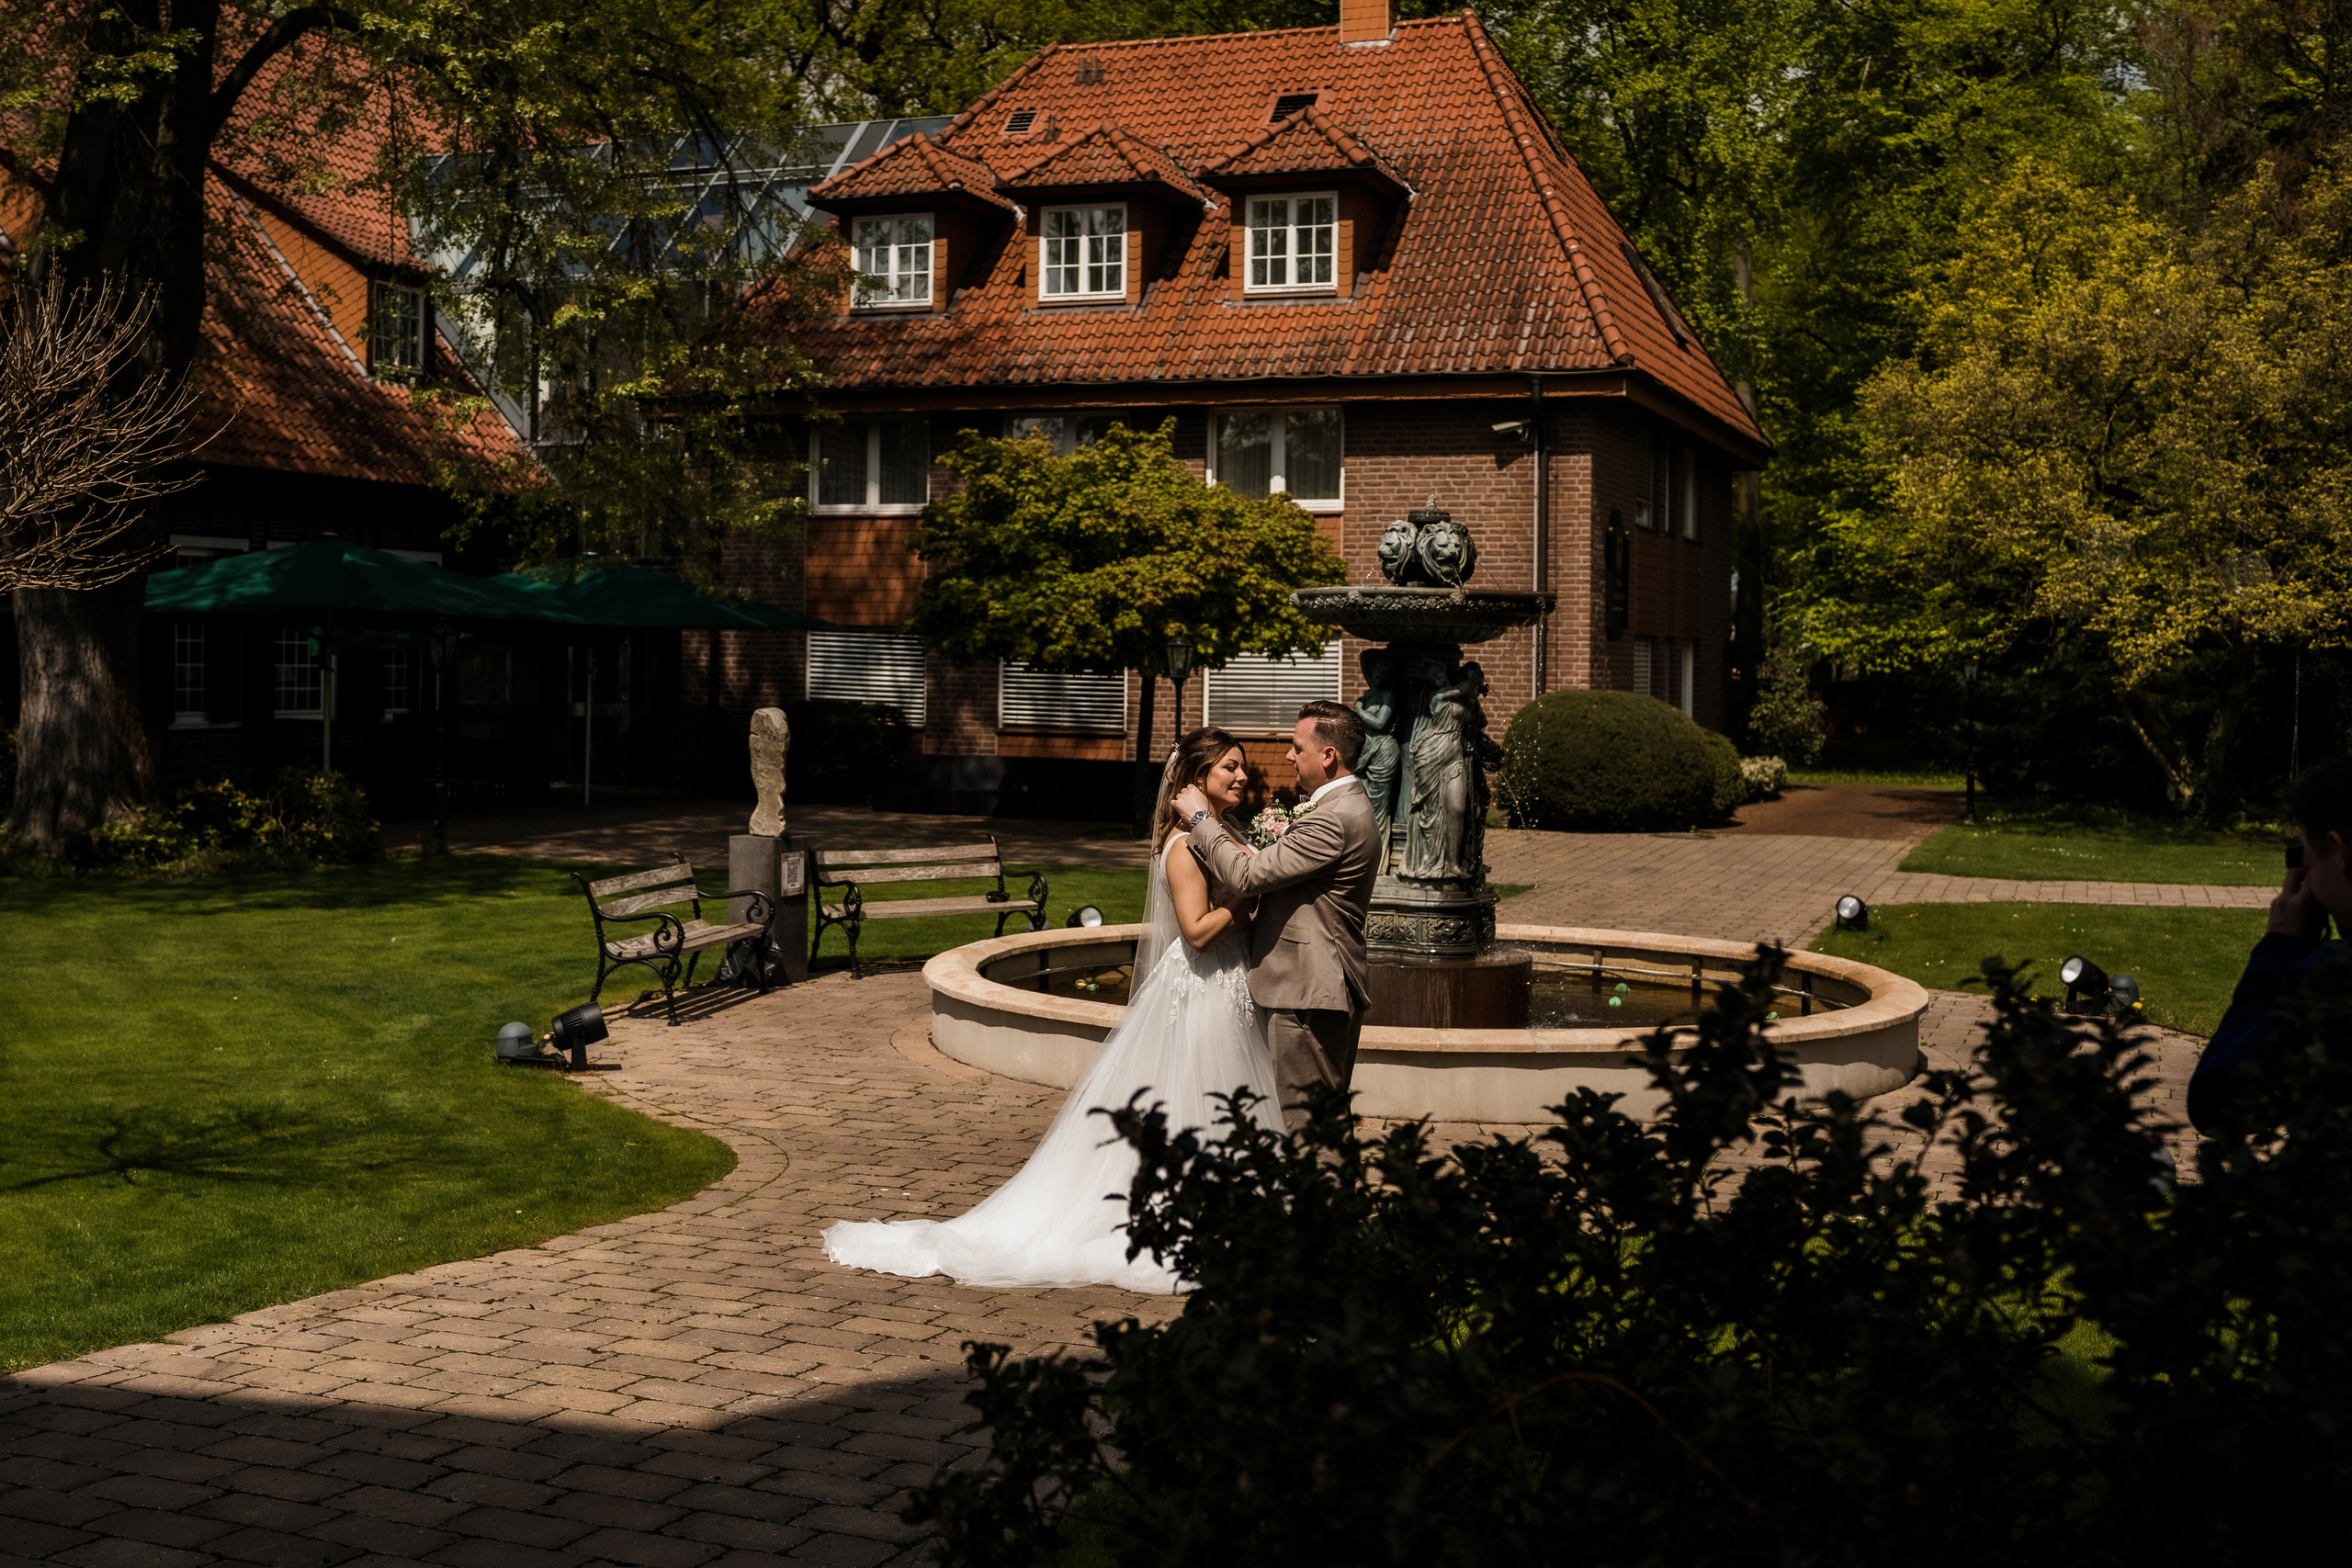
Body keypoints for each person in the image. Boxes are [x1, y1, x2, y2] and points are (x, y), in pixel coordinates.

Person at [820, 728, 1278, 1292]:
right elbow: (1198, 933)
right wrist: (1247, 896)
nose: (1241, 776)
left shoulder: (1222, 833)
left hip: (1227, 987)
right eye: (1229, 767)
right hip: (1202, 988)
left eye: (1241, 767)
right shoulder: (1185, 846)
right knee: (1201, 1101)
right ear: (1196, 779)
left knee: (1223, 1104)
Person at [1174, 701, 1382, 1130]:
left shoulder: (1334, 819)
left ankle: (1324, 1198)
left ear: (1328, 756)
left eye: (1296, 747)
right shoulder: (1344, 807)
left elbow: (1248, 875)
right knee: (1320, 1123)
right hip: (1306, 984)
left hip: (1307, 989)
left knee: (1311, 1130)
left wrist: (1199, 818)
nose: (1288, 756)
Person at [2187, 753, 2352, 1133]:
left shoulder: (2336, 978)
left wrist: (2281, 945)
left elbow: (2216, 1102)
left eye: (2309, 860)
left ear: (2341, 853)